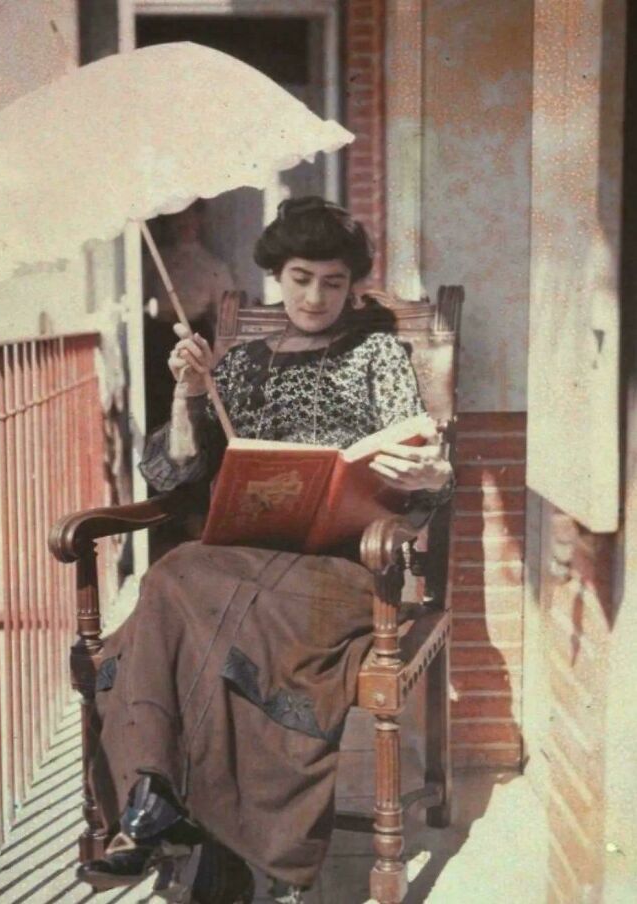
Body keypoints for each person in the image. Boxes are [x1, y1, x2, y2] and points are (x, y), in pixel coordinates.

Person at [78, 197, 454, 903]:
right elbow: (176, 475)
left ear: (350, 285)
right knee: (177, 575)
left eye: (334, 282)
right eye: (302, 278)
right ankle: (166, 796)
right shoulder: (243, 364)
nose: (317, 296)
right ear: (278, 277)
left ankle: (183, 818)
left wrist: (431, 472)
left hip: (342, 567)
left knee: (214, 614)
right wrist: (190, 396)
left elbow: (421, 460)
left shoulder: (379, 355)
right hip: (244, 560)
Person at [143, 200, 235, 430]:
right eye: (178, 217)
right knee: (158, 404)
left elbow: (227, 319)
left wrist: (218, 358)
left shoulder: (214, 265)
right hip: (157, 338)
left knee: (191, 404)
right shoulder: (155, 260)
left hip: (194, 335)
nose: (184, 223)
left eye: (190, 217)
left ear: (200, 219)